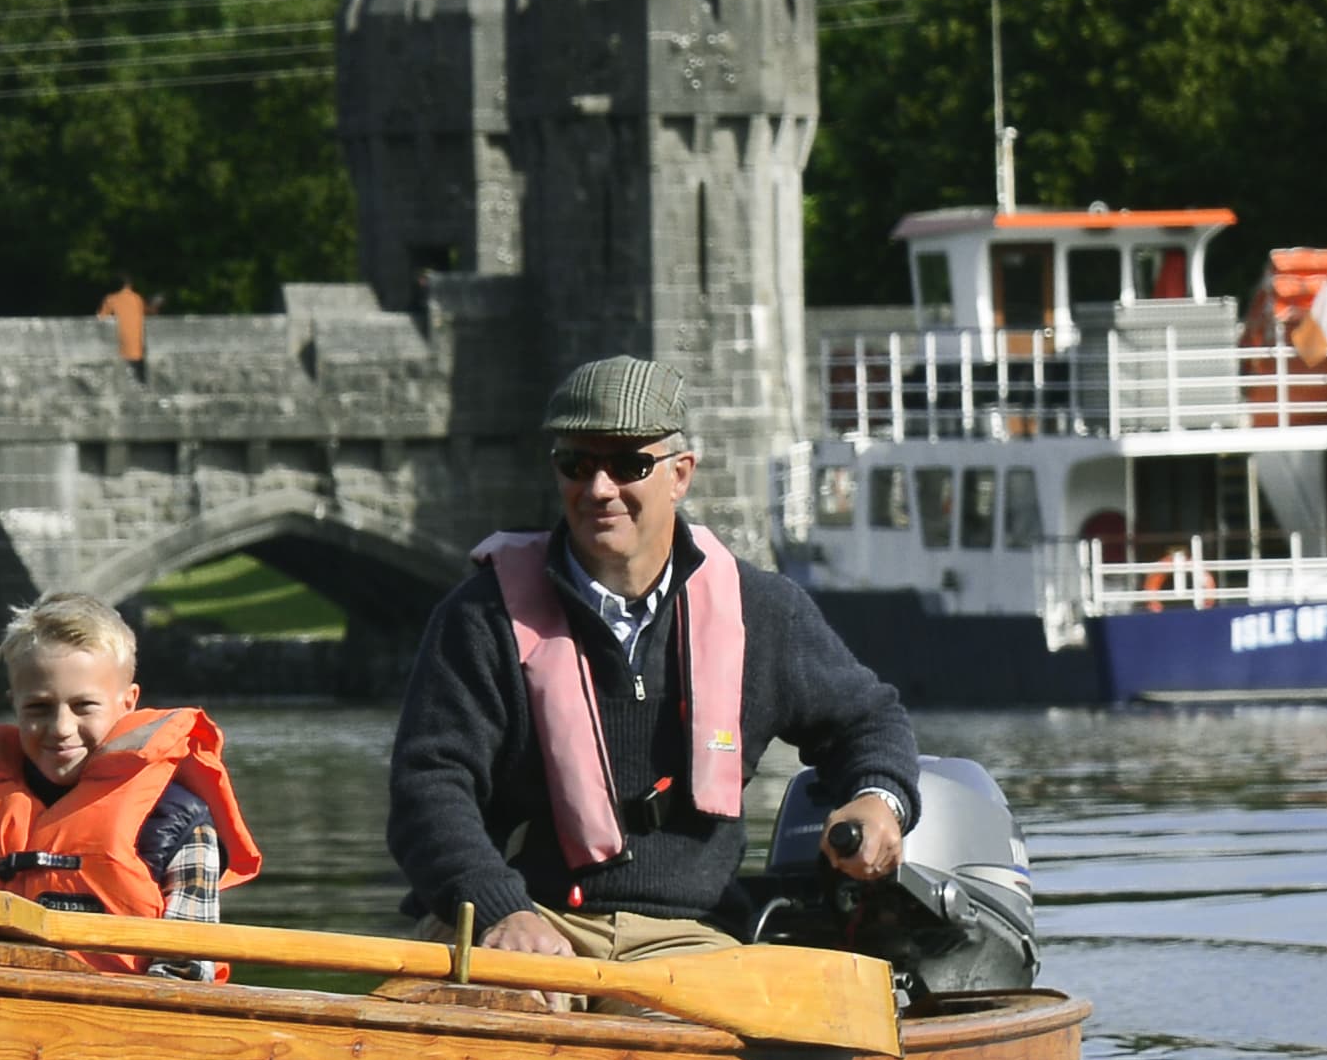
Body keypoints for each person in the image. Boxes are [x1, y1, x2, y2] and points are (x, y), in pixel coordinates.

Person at [382, 354, 922, 960]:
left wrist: (879, 799)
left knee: (670, 1042)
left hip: (685, 940)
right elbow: (428, 788)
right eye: (576, 464)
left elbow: (869, 721)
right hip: (515, 923)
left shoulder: (764, 611)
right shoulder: (479, 618)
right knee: (486, 1022)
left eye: (628, 464)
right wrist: (497, 910)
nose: (599, 489)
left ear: (680, 474)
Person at [0, 591, 263, 977]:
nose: (61, 729)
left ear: (127, 703)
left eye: (84, 706)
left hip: (125, 1023)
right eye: (38, 708)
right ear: (14, 703)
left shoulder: (180, 819)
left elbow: (186, 969)